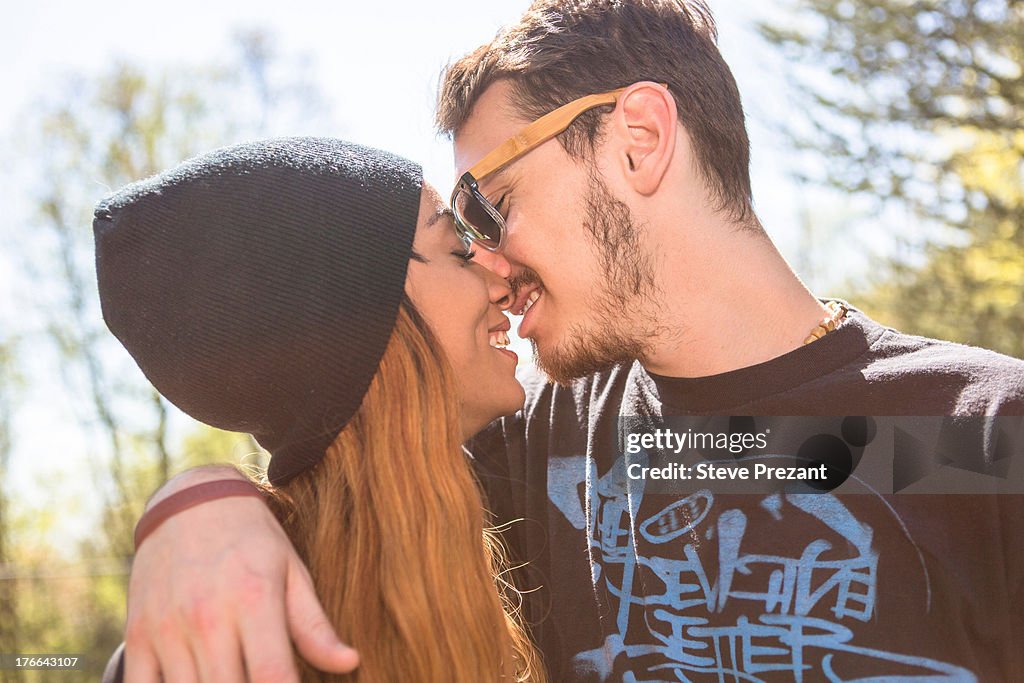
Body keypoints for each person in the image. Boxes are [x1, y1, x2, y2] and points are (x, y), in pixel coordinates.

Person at [112, 1, 1024, 681]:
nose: (494, 262)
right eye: (461, 228)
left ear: (637, 139)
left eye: (495, 205)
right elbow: (340, 460)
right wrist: (200, 502)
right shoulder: (530, 455)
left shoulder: (985, 437)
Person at [94, 137, 546, 682]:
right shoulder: (224, 644)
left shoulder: (530, 485)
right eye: (457, 251)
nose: (500, 284)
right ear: (368, 327)